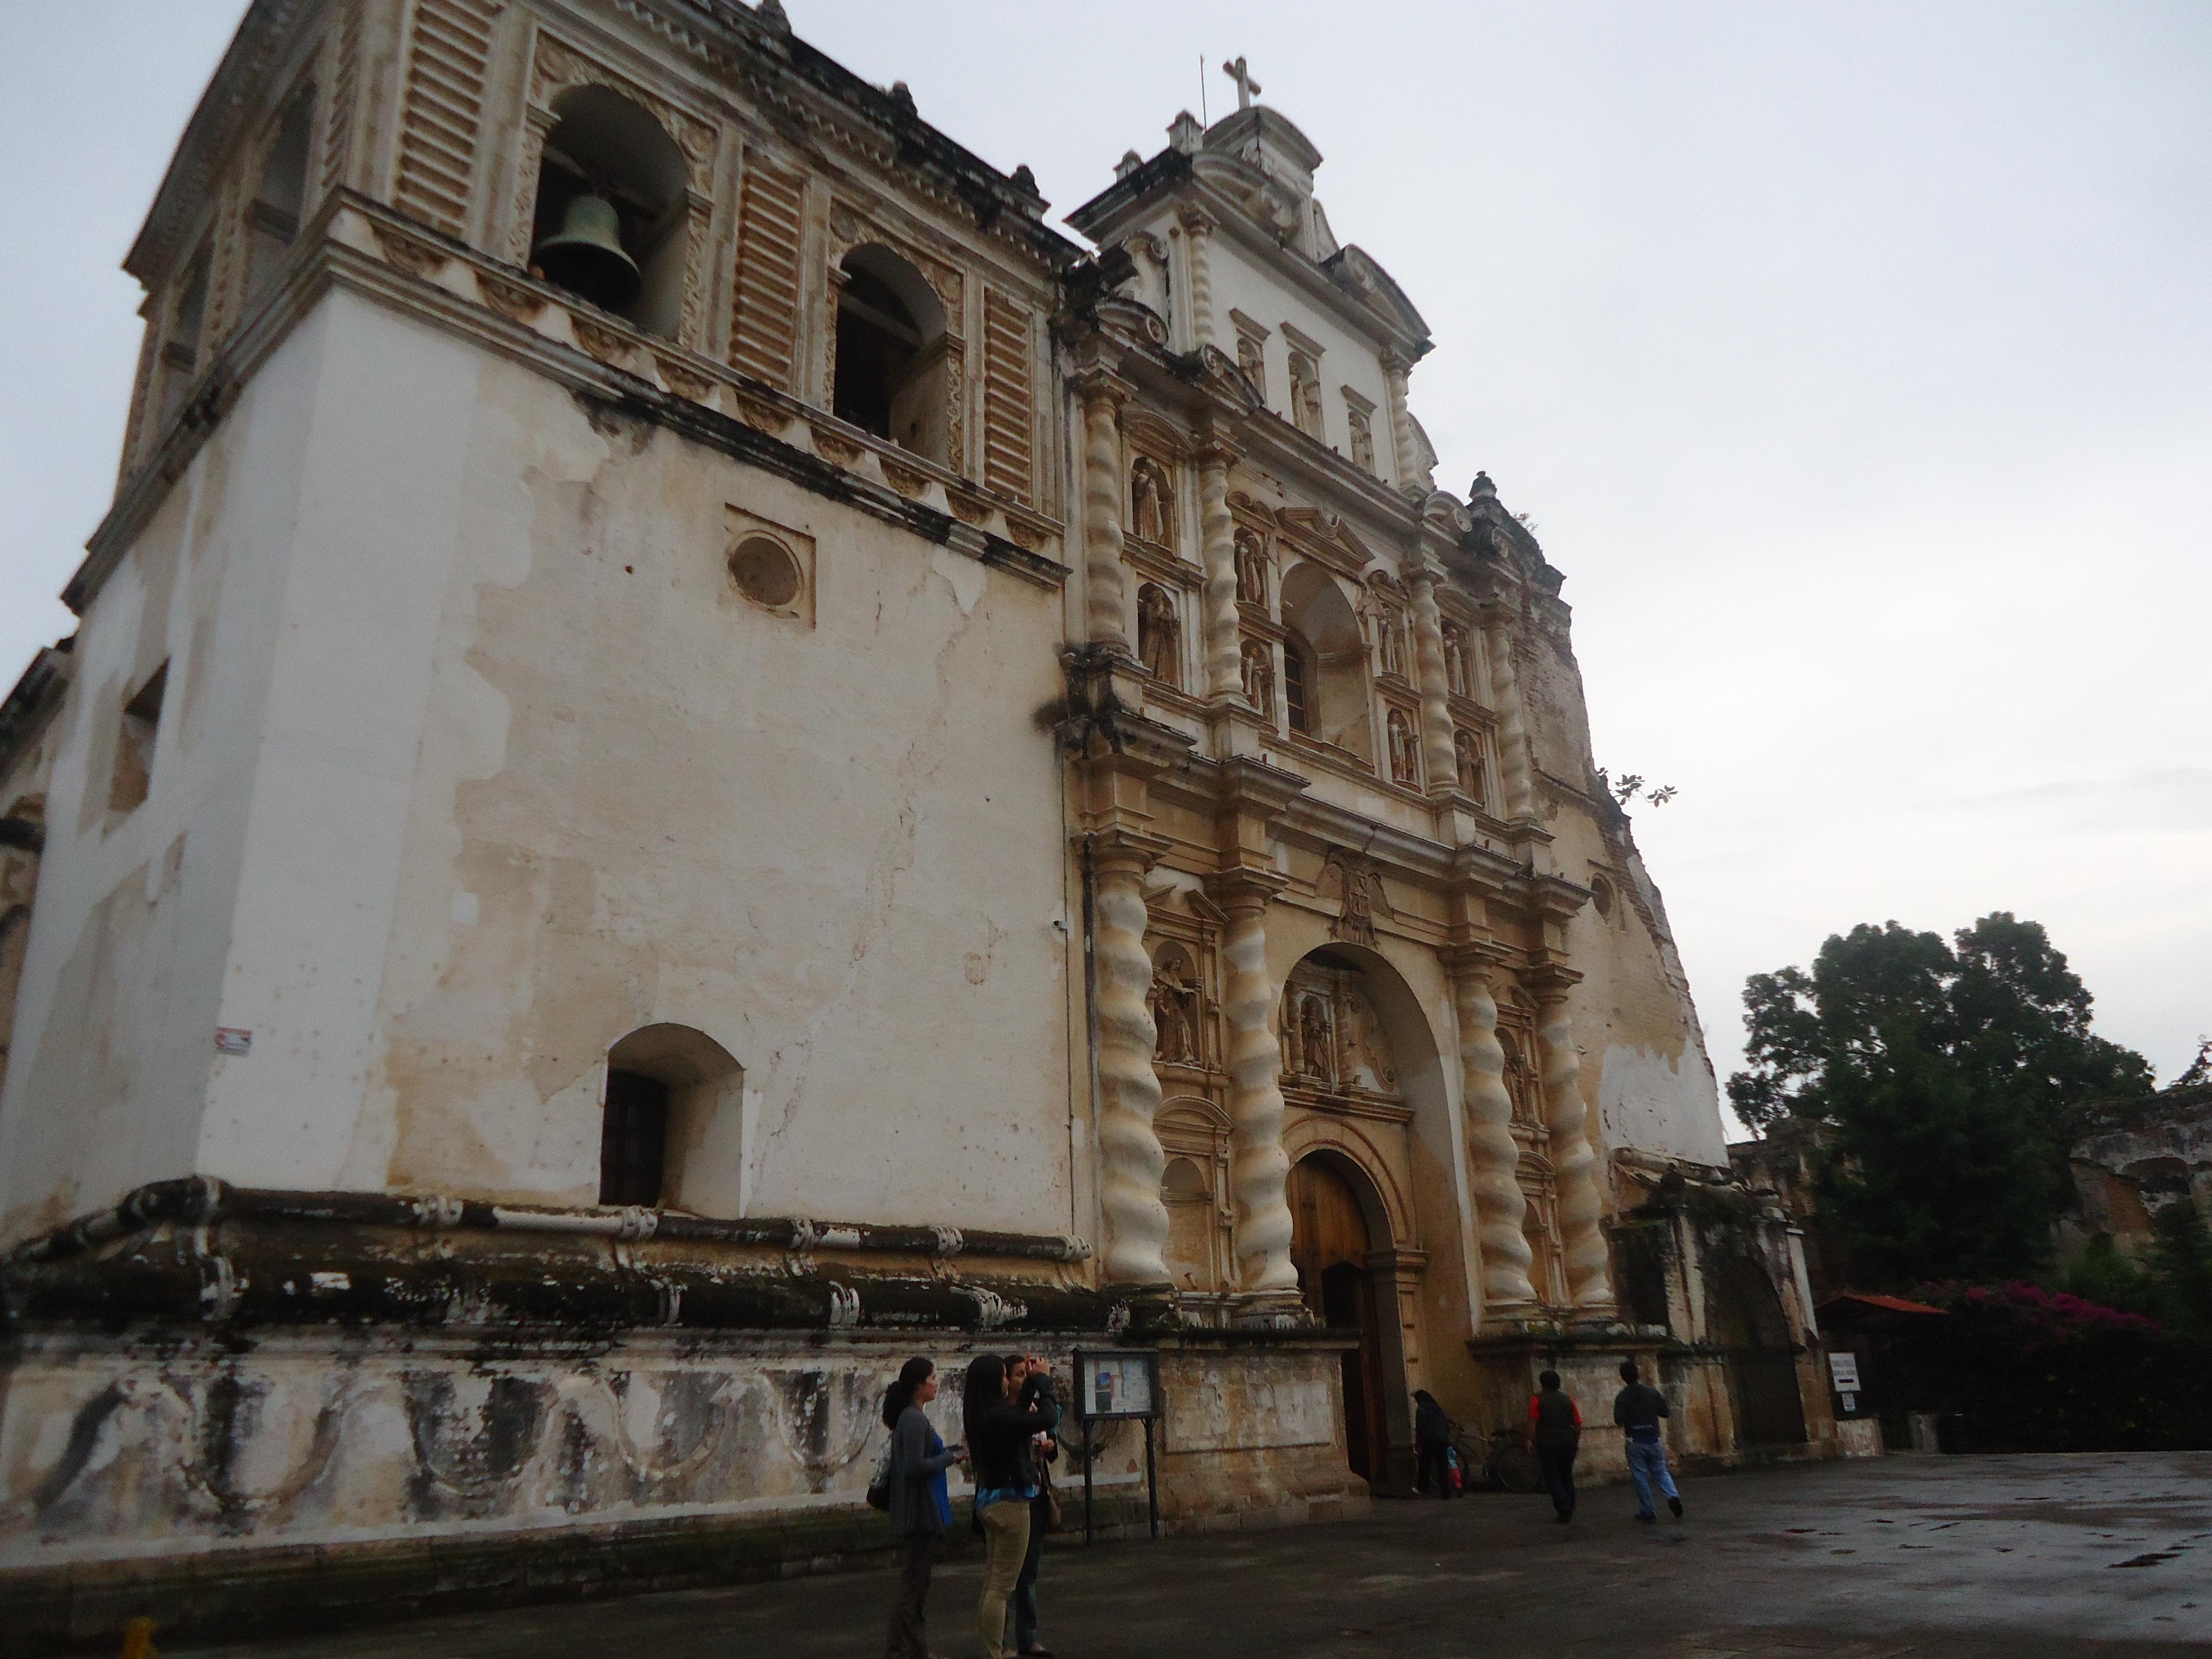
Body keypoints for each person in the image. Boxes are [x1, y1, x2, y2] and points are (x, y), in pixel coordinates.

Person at [963, 1354, 1055, 1659]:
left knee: (994, 1580)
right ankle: (995, 1651)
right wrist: (1043, 1382)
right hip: (1011, 1503)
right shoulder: (997, 1415)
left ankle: (995, 1648)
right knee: (1003, 1586)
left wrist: (1029, 1385)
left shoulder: (985, 1412)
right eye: (1005, 1376)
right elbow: (1045, 1419)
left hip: (991, 1500)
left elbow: (1018, 1417)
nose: (1007, 1382)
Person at [883, 1356, 965, 1659]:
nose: (936, 1383)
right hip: (920, 1513)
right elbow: (915, 1466)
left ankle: (916, 1650)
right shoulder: (914, 1419)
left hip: (920, 1511)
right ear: (919, 1385)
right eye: (932, 1378)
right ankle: (900, 1649)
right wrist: (949, 1458)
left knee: (917, 1589)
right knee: (913, 1590)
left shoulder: (912, 1417)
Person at [1005, 1353, 1062, 1657]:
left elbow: (1051, 1448)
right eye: (1018, 1375)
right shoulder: (1007, 1412)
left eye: (1026, 1376)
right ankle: (1001, 1642)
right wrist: (1043, 1380)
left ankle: (1027, 1638)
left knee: (1029, 1574)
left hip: (1037, 1492)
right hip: (1014, 1496)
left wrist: (1050, 1447)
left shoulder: (1036, 1410)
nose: (1024, 1381)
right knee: (1006, 1576)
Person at [1613, 1359, 1684, 1522]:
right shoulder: (1652, 1393)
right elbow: (1665, 1413)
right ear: (1638, 1375)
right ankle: (1672, 1495)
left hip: (1635, 1439)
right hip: (1653, 1437)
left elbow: (1619, 1420)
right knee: (1661, 1470)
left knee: (1640, 1476)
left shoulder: (1623, 1397)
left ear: (1623, 1378)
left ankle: (1648, 1509)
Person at [1526, 1369, 1582, 1523]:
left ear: (1542, 1384)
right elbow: (1577, 1423)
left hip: (1547, 1443)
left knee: (1551, 1477)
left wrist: (1532, 1441)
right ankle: (1570, 1506)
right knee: (1566, 1475)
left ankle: (1563, 1504)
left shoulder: (1537, 1400)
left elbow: (1533, 1423)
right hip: (1568, 1442)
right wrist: (1576, 1441)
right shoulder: (1568, 1400)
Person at [1412, 1390, 1454, 1499]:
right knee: (1443, 1467)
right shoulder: (1437, 1408)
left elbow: (1421, 1427)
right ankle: (1446, 1492)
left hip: (1429, 1441)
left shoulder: (1422, 1409)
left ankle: (1423, 1488)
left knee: (1425, 1465)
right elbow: (1446, 1423)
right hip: (1442, 1440)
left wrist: (1419, 1442)